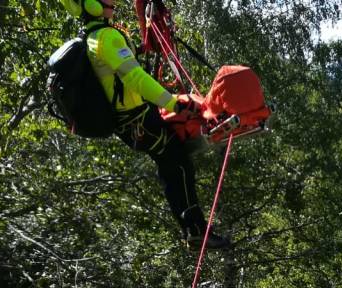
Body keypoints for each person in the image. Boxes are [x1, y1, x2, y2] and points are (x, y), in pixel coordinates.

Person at [60, 0, 232, 249]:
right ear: (91, 5)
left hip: (130, 122)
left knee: (172, 164)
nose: (113, 2)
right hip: (138, 119)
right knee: (179, 165)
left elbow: (121, 69)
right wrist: (174, 104)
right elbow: (135, 78)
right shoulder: (107, 38)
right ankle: (195, 230)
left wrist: (143, 45)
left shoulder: (95, 36)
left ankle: (193, 229)